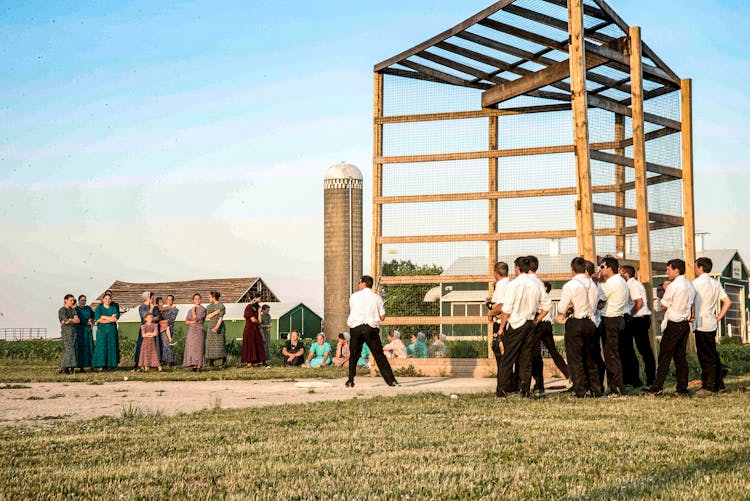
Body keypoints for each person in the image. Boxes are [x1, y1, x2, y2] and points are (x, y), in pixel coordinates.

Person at [496, 257, 550, 398]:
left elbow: (506, 309)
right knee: (526, 358)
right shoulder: (537, 284)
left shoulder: (514, 285)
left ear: (517, 269)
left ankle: (502, 390)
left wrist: (501, 327)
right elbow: (547, 305)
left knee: (507, 358)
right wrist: (537, 319)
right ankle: (524, 390)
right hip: (530, 323)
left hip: (516, 323)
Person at [643, 259, 696, 396]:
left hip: (674, 323)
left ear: (676, 270)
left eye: (669, 269)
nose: (667, 272)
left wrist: (665, 291)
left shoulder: (673, 286)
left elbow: (663, 306)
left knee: (664, 356)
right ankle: (682, 388)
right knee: (680, 357)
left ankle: (658, 386)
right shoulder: (690, 285)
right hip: (684, 324)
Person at [558, 257, 601, 398]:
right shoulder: (593, 285)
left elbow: (561, 307)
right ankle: (595, 388)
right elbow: (595, 305)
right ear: (585, 269)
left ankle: (580, 390)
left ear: (572, 269)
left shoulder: (570, 285)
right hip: (590, 322)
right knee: (591, 357)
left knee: (575, 358)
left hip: (576, 321)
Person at [345, 275, 398, 388]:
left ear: (363, 283)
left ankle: (350, 380)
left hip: (356, 327)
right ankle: (391, 381)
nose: (359, 285)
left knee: (354, 355)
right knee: (379, 356)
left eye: (360, 283)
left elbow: (354, 309)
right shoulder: (377, 298)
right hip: (371, 329)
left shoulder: (354, 296)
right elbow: (382, 317)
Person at [693, 257, 732, 396]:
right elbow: (727, 301)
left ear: (701, 268)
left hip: (701, 322)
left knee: (705, 356)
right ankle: (719, 384)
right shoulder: (715, 283)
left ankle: (708, 386)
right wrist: (719, 317)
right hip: (711, 321)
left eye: (695, 266)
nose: (694, 268)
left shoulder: (695, 283)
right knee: (713, 354)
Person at [620, 265, 656, 387]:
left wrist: (630, 315)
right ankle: (635, 379)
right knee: (634, 349)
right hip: (639, 319)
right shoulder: (633, 284)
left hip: (638, 319)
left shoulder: (632, 285)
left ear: (626, 274)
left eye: (621, 272)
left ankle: (650, 379)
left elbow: (639, 303)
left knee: (643, 350)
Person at [531, 281, 570, 394]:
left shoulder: (540, 299)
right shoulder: (549, 300)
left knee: (535, 353)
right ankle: (568, 373)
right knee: (553, 352)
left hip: (540, 324)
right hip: (548, 326)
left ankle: (539, 383)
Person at [598, 256, 628, 396]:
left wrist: (597, 281)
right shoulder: (621, 281)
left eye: (602, 267)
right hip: (618, 319)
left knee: (611, 356)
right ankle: (616, 386)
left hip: (610, 319)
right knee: (614, 354)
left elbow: (600, 299)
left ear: (610, 268)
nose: (600, 270)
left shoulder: (611, 283)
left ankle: (616, 388)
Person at [527, 256, 555, 396]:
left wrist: (536, 319)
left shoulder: (525, 282)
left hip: (529, 321)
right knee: (538, 354)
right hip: (538, 321)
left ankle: (525, 385)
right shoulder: (538, 282)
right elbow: (548, 304)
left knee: (527, 354)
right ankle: (539, 384)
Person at [487, 261, 512, 396]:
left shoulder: (501, 285)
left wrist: (491, 313)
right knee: (507, 354)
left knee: (500, 354)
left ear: (496, 273)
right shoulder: (510, 283)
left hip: (501, 323)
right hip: (510, 323)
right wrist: (491, 304)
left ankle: (502, 387)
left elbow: (502, 305)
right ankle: (510, 384)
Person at [585, 259, 606, 394]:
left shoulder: (593, 285)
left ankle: (596, 384)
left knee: (593, 355)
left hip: (594, 321)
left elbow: (602, 301)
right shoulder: (594, 284)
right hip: (595, 321)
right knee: (593, 354)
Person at [92, 292, 120, 370]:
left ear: (111, 300)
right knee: (101, 346)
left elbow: (115, 319)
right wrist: (109, 319)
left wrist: (104, 317)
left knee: (111, 346)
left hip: (111, 331)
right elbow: (98, 320)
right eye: (106, 299)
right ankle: (100, 365)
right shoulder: (99, 308)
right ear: (103, 300)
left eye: (109, 299)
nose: (107, 300)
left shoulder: (113, 308)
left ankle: (111, 365)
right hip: (102, 331)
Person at [241, 293, 267, 368]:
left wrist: (259, 312)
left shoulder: (258, 307)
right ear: (255, 298)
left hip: (256, 329)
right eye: (260, 298)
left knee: (259, 344)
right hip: (249, 329)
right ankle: (249, 363)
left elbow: (260, 320)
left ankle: (260, 361)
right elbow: (252, 319)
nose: (261, 299)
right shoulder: (248, 307)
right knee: (250, 345)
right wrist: (258, 322)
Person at [183, 293, 207, 372]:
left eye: (199, 298)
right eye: (196, 299)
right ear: (193, 300)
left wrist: (194, 312)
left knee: (199, 348)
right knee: (192, 348)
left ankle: (199, 365)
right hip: (191, 331)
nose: (197, 300)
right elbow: (186, 321)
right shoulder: (190, 310)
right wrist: (194, 321)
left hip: (199, 331)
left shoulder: (203, 309)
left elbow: (197, 319)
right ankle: (194, 365)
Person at [135, 292, 159, 368]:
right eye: (152, 298)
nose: (153, 300)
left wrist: (151, 318)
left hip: (152, 329)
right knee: (142, 346)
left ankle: (152, 363)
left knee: (153, 347)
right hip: (145, 329)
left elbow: (157, 317)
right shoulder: (142, 307)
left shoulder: (155, 307)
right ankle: (140, 362)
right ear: (147, 298)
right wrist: (151, 311)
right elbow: (145, 318)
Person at [58, 294, 79, 374]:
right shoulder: (62, 310)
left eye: (73, 300)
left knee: (73, 349)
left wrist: (71, 320)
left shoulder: (73, 310)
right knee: (67, 349)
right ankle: (64, 368)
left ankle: (71, 367)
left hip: (73, 331)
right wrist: (70, 320)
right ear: (65, 300)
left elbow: (77, 320)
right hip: (66, 332)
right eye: (70, 300)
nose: (72, 302)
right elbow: (64, 321)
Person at [204, 291, 227, 367]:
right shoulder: (209, 306)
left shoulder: (221, 306)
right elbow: (207, 317)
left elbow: (220, 318)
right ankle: (211, 361)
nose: (209, 298)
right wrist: (215, 313)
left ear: (214, 297)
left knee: (220, 343)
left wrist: (217, 327)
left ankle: (224, 360)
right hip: (211, 325)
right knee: (210, 344)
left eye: (210, 297)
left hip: (219, 325)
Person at [74, 294, 95, 372]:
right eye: (82, 300)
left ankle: (91, 365)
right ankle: (81, 367)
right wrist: (86, 322)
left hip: (88, 330)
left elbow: (94, 315)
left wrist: (92, 320)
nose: (83, 302)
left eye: (85, 300)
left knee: (90, 347)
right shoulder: (76, 309)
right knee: (81, 348)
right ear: (79, 300)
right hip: (80, 330)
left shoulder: (88, 308)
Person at [156, 296, 175, 367]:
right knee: (164, 344)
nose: (162, 303)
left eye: (162, 302)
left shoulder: (172, 309)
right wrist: (169, 307)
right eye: (160, 302)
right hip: (160, 325)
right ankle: (165, 360)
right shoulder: (157, 308)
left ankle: (169, 360)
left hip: (163, 325)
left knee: (166, 343)